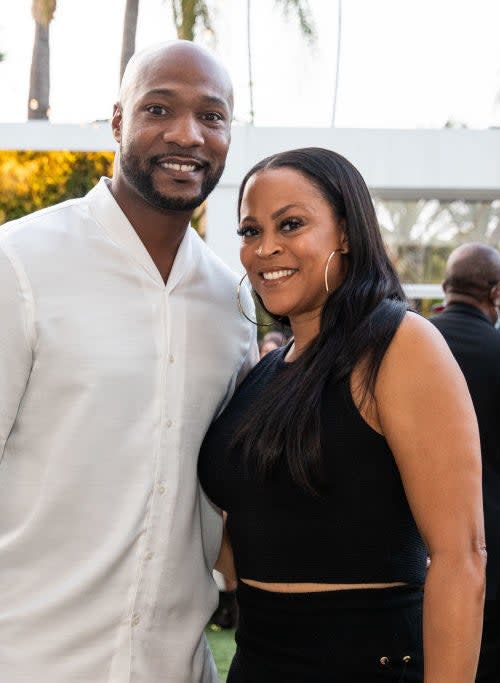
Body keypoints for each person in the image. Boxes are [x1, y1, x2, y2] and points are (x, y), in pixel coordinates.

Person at [0, 41, 257, 683]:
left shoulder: (232, 302)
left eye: (212, 116)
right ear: (118, 121)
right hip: (24, 666)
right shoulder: (15, 265)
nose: (187, 134)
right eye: (159, 108)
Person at [198, 148, 486, 682]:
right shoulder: (266, 371)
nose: (265, 248)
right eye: (249, 231)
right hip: (258, 662)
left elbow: (461, 559)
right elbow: (252, 536)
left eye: (291, 224)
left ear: (347, 233)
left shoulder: (400, 344)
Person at [429, 243, 500, 683]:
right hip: (490, 549)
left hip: (408, 549)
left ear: (445, 287)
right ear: (495, 293)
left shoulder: (407, 345)